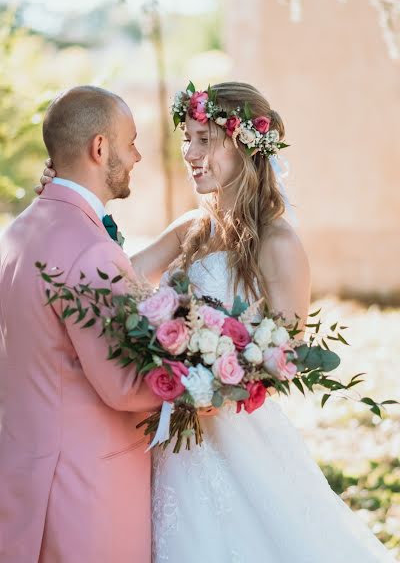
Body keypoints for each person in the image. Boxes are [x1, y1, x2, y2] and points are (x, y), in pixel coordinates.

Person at [37, 82, 395, 562]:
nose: (190, 152)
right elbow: (115, 279)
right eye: (187, 138)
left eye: (204, 139)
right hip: (169, 436)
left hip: (237, 439)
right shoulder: (191, 228)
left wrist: (215, 375)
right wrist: (72, 207)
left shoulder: (278, 244)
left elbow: (283, 357)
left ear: (245, 145)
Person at [0, 86, 163, 563]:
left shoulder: (19, 230)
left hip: (24, 476)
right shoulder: (92, 250)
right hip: (86, 494)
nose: (136, 156)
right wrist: (203, 378)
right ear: (99, 148)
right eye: (131, 142)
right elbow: (126, 385)